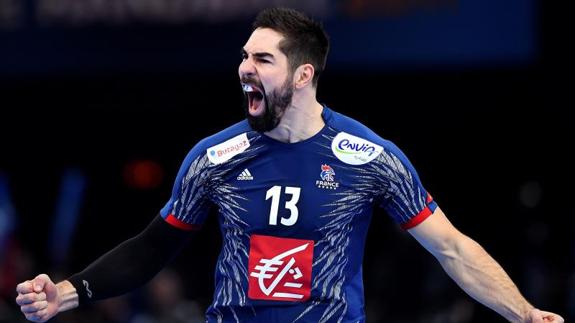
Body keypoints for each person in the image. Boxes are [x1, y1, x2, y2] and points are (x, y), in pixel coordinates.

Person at [15, 7, 563, 323]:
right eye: (243, 56)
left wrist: (524, 313)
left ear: (303, 76)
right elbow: (152, 247)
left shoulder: (371, 158)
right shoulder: (213, 158)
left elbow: (452, 247)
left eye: (262, 59)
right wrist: (67, 293)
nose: (243, 69)